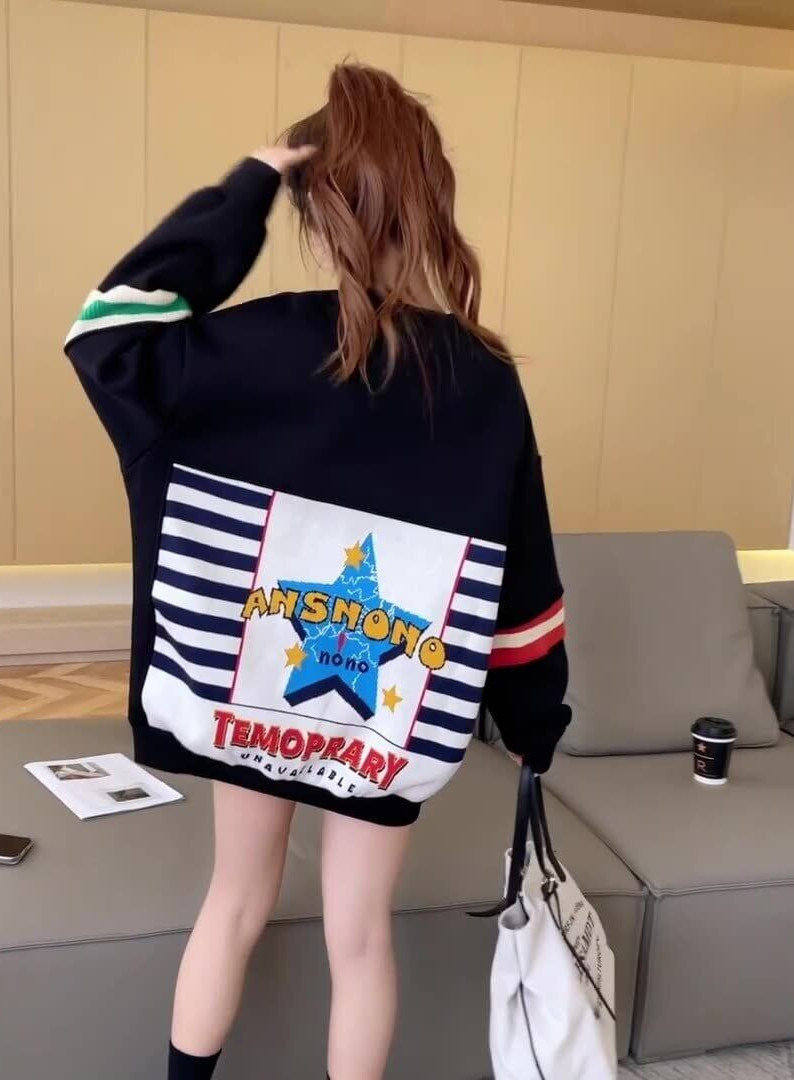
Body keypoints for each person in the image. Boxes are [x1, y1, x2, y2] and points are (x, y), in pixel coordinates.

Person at [66, 62, 571, 1080]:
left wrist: (243, 188)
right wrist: (533, 723)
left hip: (247, 700)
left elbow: (108, 331)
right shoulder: (481, 382)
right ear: (429, 203)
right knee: (361, 936)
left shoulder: (235, 353)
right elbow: (524, 594)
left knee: (233, 902)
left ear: (310, 207)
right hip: (388, 724)